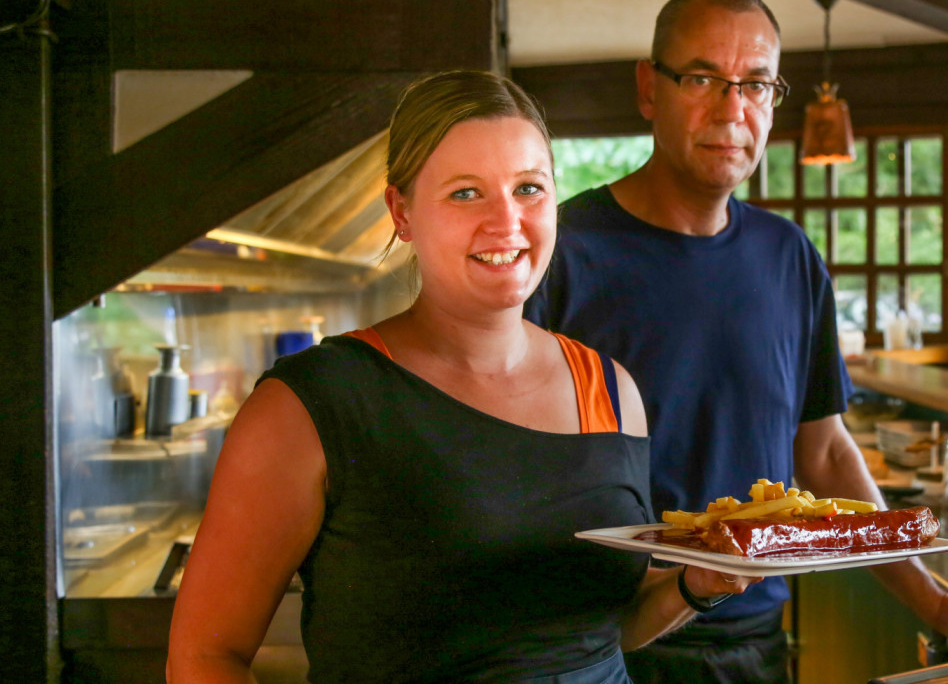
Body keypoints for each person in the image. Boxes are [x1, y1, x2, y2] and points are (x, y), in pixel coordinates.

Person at [166, 70, 757, 684]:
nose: (507, 223)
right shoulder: (311, 405)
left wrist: (698, 582)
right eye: (466, 193)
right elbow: (205, 657)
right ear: (402, 212)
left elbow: (603, 630)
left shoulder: (608, 391)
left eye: (528, 188)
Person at [525, 0, 948, 683]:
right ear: (650, 89)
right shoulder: (564, 254)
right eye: (702, 78)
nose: (732, 110)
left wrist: (934, 601)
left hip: (754, 639)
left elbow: (823, 453)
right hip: (598, 648)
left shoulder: (788, 256)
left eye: (757, 84)